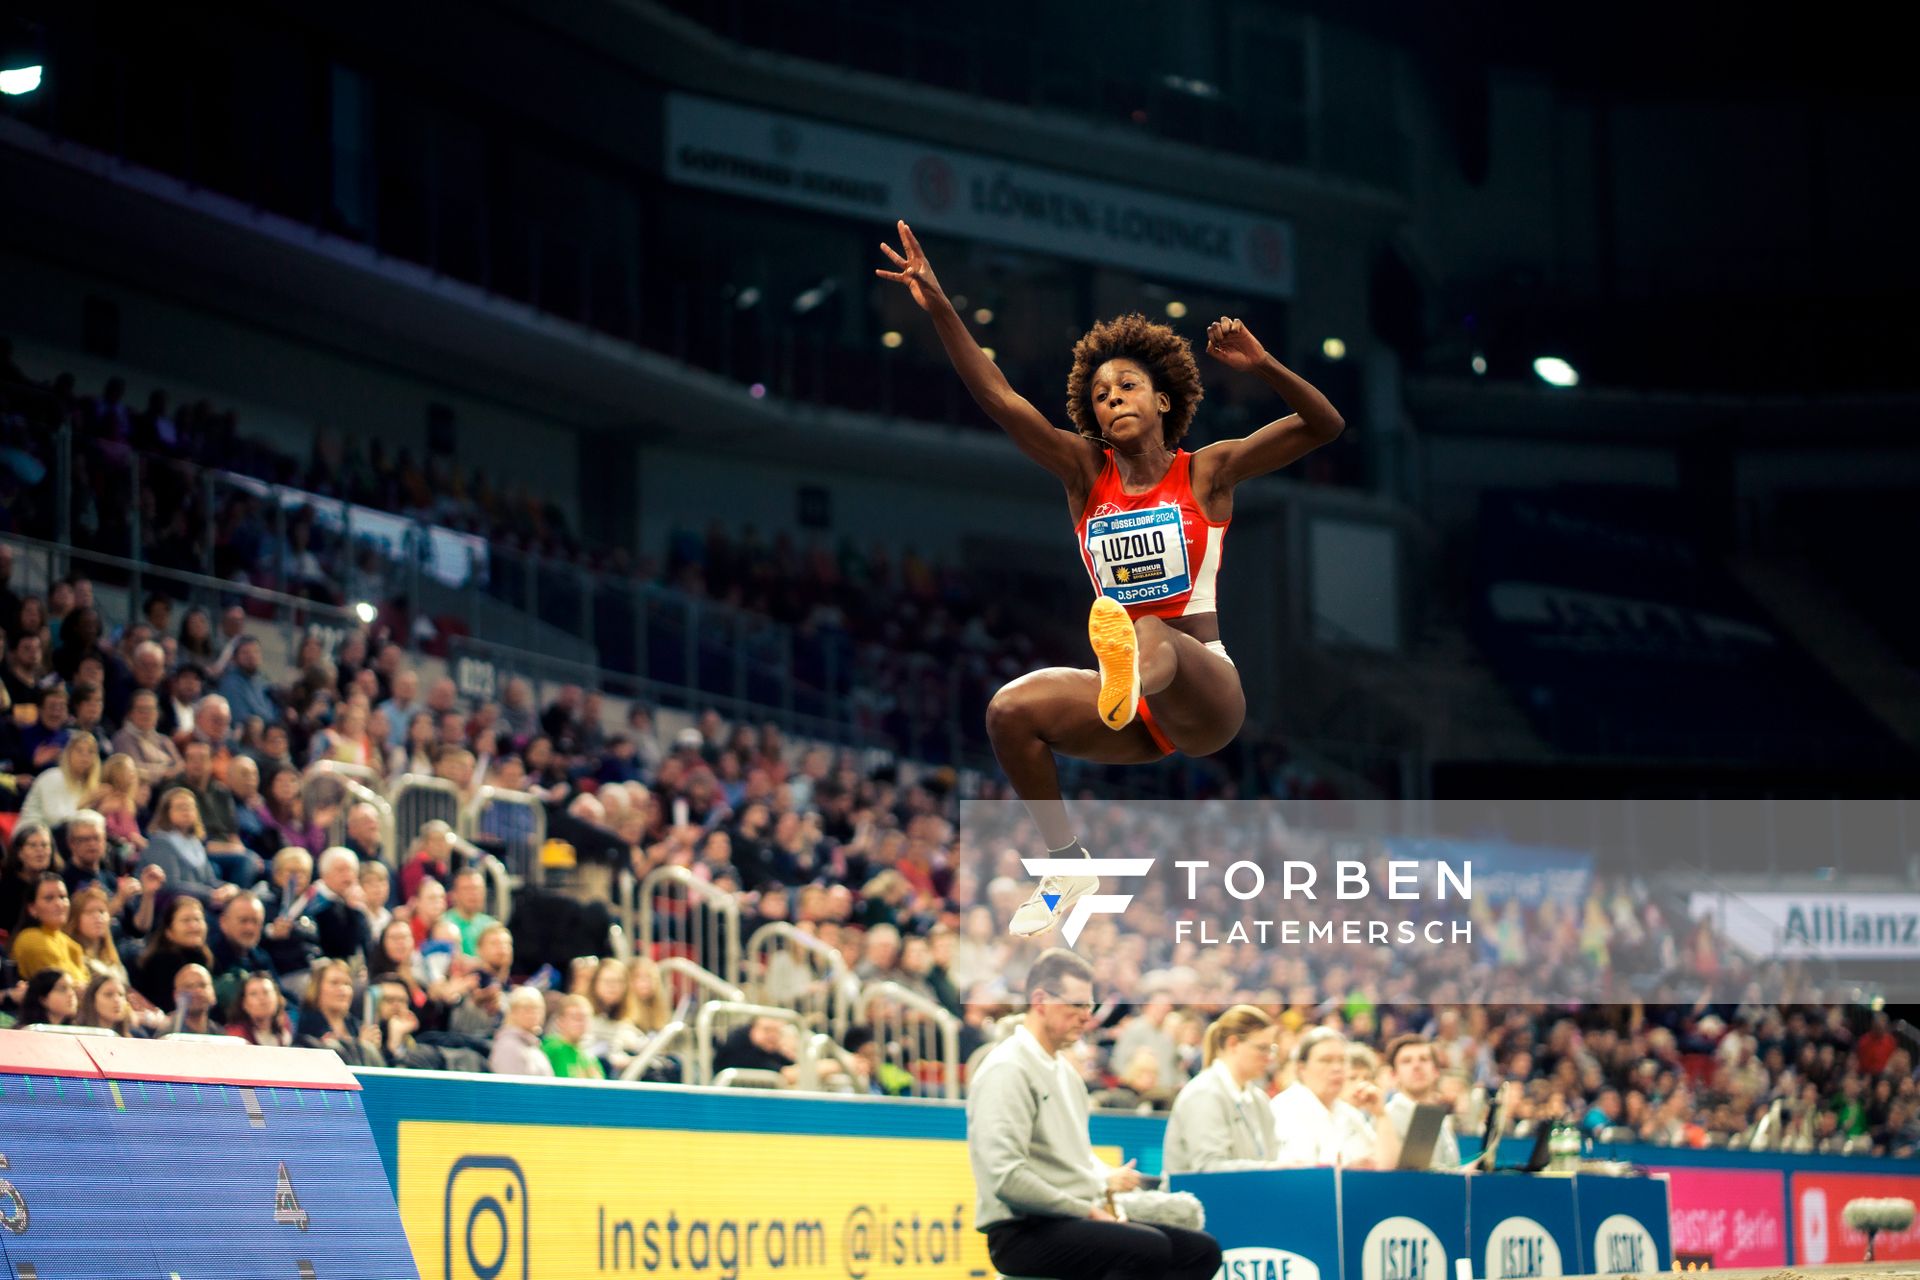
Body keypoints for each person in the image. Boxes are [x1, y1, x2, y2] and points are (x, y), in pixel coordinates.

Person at [877, 221, 1343, 937]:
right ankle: (1067, 862)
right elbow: (1001, 400)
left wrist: (1263, 366)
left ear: (1163, 401)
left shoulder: (1208, 470)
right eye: (1099, 394)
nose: (1113, 399)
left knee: (1147, 629)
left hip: (1205, 690)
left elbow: (1324, 425)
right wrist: (941, 303)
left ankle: (1126, 678)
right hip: (1133, 714)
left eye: (1128, 385)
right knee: (1009, 711)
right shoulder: (1083, 476)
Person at [966, 947, 1221, 1280]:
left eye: (1089, 1005)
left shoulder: (1065, 1073)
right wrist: (1086, 1209)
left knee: (1201, 1251)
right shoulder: (1007, 1069)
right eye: (1078, 1005)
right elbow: (1005, 1178)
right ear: (1041, 1001)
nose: (1087, 1016)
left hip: (1072, 1217)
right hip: (1021, 1231)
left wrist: (1101, 1182)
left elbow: (1074, 1161)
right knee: (1148, 1248)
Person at [1162, 1005, 1283, 1174]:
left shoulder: (1259, 1099)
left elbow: (1272, 1160)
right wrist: (1267, 1168)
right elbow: (1208, 1168)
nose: (1269, 1058)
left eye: (1272, 1049)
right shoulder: (1203, 1094)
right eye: (1262, 1048)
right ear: (1233, 1044)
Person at [1269, 1027, 1397, 1168]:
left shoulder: (1348, 1113)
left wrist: (1381, 1114)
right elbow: (1296, 1174)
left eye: (1342, 1060)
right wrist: (1347, 1172)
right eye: (1326, 1060)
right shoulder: (1286, 1108)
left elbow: (1386, 1167)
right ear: (1301, 1068)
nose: (1337, 1068)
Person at [139, 786, 241, 910]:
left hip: (199, 903)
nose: (186, 811)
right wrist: (210, 894)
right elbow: (171, 885)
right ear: (166, 812)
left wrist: (229, 888)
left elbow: (209, 880)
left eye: (190, 807)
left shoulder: (195, 842)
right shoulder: (160, 842)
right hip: (171, 910)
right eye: (180, 807)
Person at [1382, 1034, 1463, 1170]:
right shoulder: (1386, 1118)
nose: (1416, 1066)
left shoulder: (1440, 1117)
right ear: (1393, 1075)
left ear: (1436, 1071)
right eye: (1406, 1061)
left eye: (1424, 1059)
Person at [131, 896, 217, 1012]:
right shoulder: (160, 962)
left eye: (197, 919)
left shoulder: (203, 958)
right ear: (169, 931)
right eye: (186, 920)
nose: (194, 926)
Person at [9, 872, 89, 984]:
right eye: (49, 898)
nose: (59, 904)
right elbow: (59, 987)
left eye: (63, 897)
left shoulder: (72, 946)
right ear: (32, 908)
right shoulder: (30, 939)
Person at [18, 730, 102, 831]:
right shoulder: (53, 777)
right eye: (79, 750)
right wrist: (84, 802)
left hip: (62, 837)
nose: (85, 756)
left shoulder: (86, 784)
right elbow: (56, 821)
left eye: (90, 751)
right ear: (68, 754)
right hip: (32, 833)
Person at [0, 822, 58, 939]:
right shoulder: (6, 888)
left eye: (45, 845)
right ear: (19, 853)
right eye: (32, 845)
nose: (40, 851)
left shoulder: (58, 883)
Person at [489, 986, 555, 1077]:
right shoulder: (508, 1045)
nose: (534, 1014)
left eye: (538, 1009)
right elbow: (511, 1088)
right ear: (513, 1012)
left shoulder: (534, 1046)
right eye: (527, 1009)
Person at [543, 993, 607, 1079]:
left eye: (585, 1017)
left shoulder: (590, 1058)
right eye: (576, 1017)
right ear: (560, 1021)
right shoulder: (550, 1049)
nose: (581, 1023)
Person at [224, 971, 293, 1046]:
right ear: (244, 1003)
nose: (261, 998)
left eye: (266, 992)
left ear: (278, 998)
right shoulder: (235, 1036)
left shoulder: (285, 1024)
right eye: (254, 994)